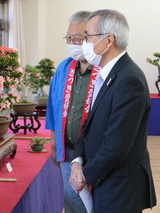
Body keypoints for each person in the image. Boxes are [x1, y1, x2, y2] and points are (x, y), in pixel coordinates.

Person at [69, 9, 157, 212]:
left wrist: (85, 175)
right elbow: (89, 126)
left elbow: (117, 144)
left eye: (87, 37)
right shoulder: (106, 74)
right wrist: (77, 161)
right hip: (103, 179)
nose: (84, 44)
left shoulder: (129, 79)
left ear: (108, 40)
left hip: (119, 187)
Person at [45, 11, 99, 213]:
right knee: (73, 202)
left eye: (77, 38)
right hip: (68, 151)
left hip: (96, 153)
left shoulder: (103, 70)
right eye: (69, 38)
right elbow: (52, 104)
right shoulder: (63, 68)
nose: (72, 43)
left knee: (95, 203)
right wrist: (53, 139)